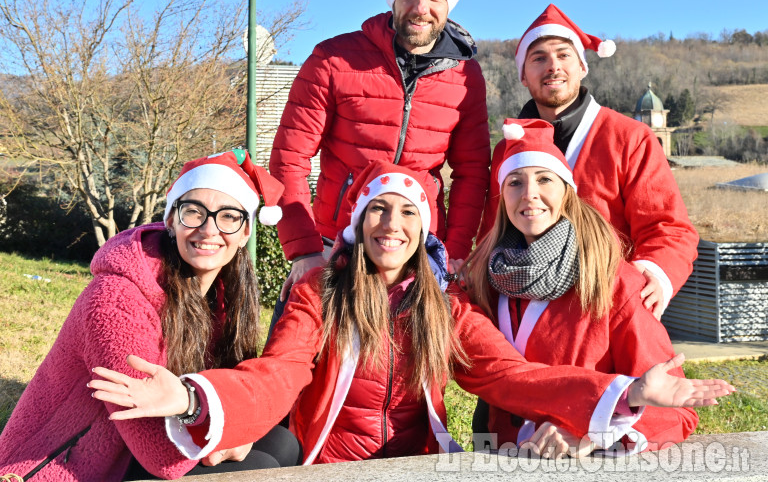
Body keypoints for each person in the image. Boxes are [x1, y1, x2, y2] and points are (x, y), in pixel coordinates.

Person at [88, 160, 732, 464]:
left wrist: (625, 390)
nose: (389, 225)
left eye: (405, 214)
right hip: (331, 461)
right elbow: (281, 371)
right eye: (377, 211)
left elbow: (510, 376)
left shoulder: (445, 305)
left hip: (418, 461)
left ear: (422, 231)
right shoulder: (322, 292)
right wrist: (199, 400)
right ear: (359, 224)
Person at [0, 150, 301, 481]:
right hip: (68, 467)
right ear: (171, 220)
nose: (209, 229)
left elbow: (235, 388)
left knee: (282, 445)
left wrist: (227, 421)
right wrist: (219, 422)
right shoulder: (116, 299)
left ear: (245, 232)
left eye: (229, 216)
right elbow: (162, 457)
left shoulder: (223, 295)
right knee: (263, 469)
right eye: (194, 212)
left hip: (133, 449)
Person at [269, 0, 491, 319]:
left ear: (449, 4)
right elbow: (289, 158)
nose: (421, 7)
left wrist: (453, 250)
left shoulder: (466, 76)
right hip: (332, 246)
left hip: (416, 250)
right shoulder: (333, 59)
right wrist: (304, 249)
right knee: (300, 367)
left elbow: (473, 173)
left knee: (408, 375)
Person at [468, 119, 699, 454]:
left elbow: (675, 411)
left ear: (568, 192)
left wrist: (593, 432)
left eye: (544, 179)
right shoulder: (486, 280)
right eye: (515, 182)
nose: (529, 193)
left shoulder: (613, 282)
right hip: (498, 462)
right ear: (502, 197)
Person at [480, 4, 699, 319]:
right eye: (538, 58)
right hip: (519, 313)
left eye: (564, 55)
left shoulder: (629, 137)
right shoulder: (507, 150)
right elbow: (493, 232)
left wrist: (655, 273)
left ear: (582, 66)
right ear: (523, 76)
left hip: (601, 310)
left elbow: (668, 227)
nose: (553, 67)